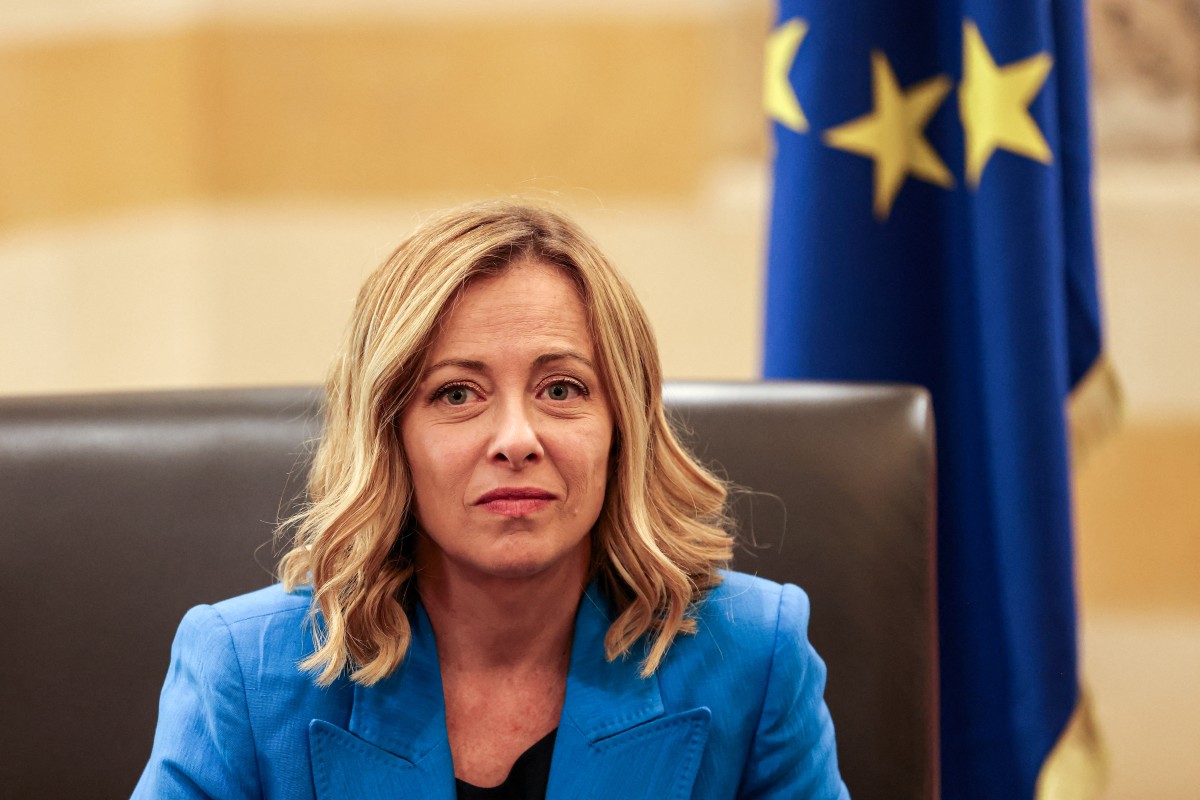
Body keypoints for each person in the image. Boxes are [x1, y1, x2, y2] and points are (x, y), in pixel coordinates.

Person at [133, 202, 849, 799]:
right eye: (456, 394)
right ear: (391, 437)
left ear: (620, 426)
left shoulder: (755, 653)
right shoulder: (243, 670)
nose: (516, 438)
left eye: (561, 389)